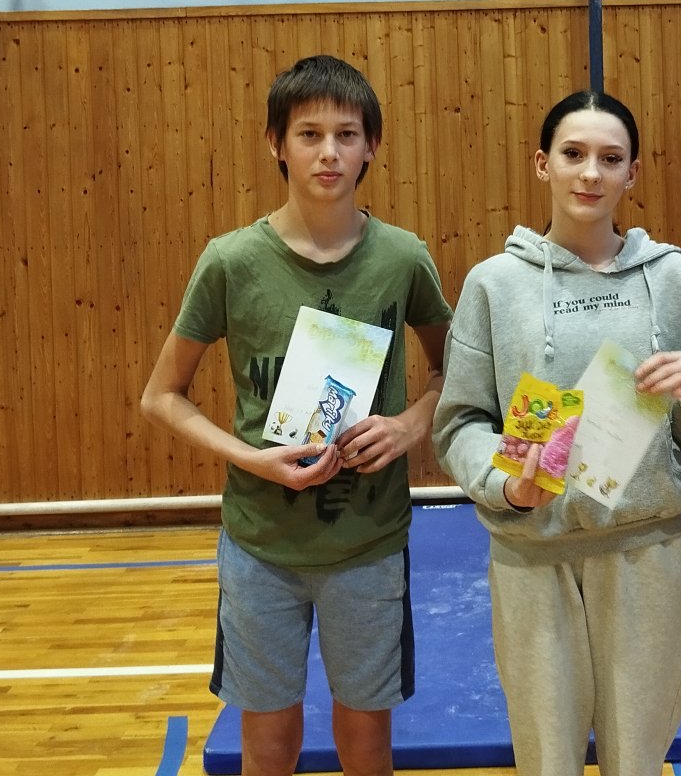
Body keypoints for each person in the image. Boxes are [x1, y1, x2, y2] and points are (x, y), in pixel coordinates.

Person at [141, 54, 452, 776]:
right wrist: (251, 459)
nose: (328, 152)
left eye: (347, 134)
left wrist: (408, 425)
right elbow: (161, 395)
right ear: (276, 144)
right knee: (268, 744)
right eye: (309, 134)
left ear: (371, 147)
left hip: (368, 543)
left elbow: (454, 372)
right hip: (261, 545)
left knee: (367, 744)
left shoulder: (402, 258)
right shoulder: (230, 261)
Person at [433, 88, 681, 776]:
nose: (590, 173)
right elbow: (460, 423)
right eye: (573, 154)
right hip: (532, 556)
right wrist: (506, 485)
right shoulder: (494, 284)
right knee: (547, 762)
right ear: (543, 164)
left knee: (637, 762)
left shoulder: (671, 276)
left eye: (610, 158)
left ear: (633, 173)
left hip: (647, 551)